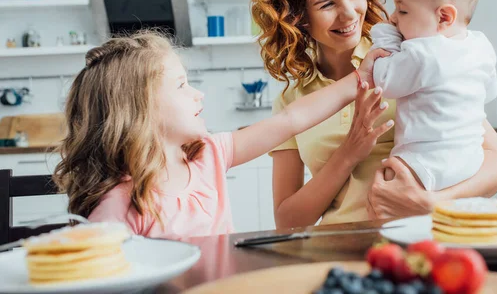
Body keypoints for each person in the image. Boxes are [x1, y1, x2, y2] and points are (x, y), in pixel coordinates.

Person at [251, 0, 497, 228]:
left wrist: (433, 203)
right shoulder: (293, 102)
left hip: (421, 238)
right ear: (299, 18)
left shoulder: (412, 55)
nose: (349, 13)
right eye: (327, 4)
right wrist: (349, 152)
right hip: (340, 246)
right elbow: (287, 220)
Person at [52, 30, 386, 239]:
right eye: (181, 85)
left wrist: (360, 77)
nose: (199, 94)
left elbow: (291, 119)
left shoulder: (208, 155)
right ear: (139, 109)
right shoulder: (121, 204)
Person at [370, 0, 497, 192]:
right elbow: (490, 92)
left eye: (403, 10)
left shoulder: (423, 53)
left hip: (424, 162)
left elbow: (384, 81)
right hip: (471, 160)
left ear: (443, 17)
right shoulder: (481, 45)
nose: (394, 17)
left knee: (385, 186)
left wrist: (385, 36)